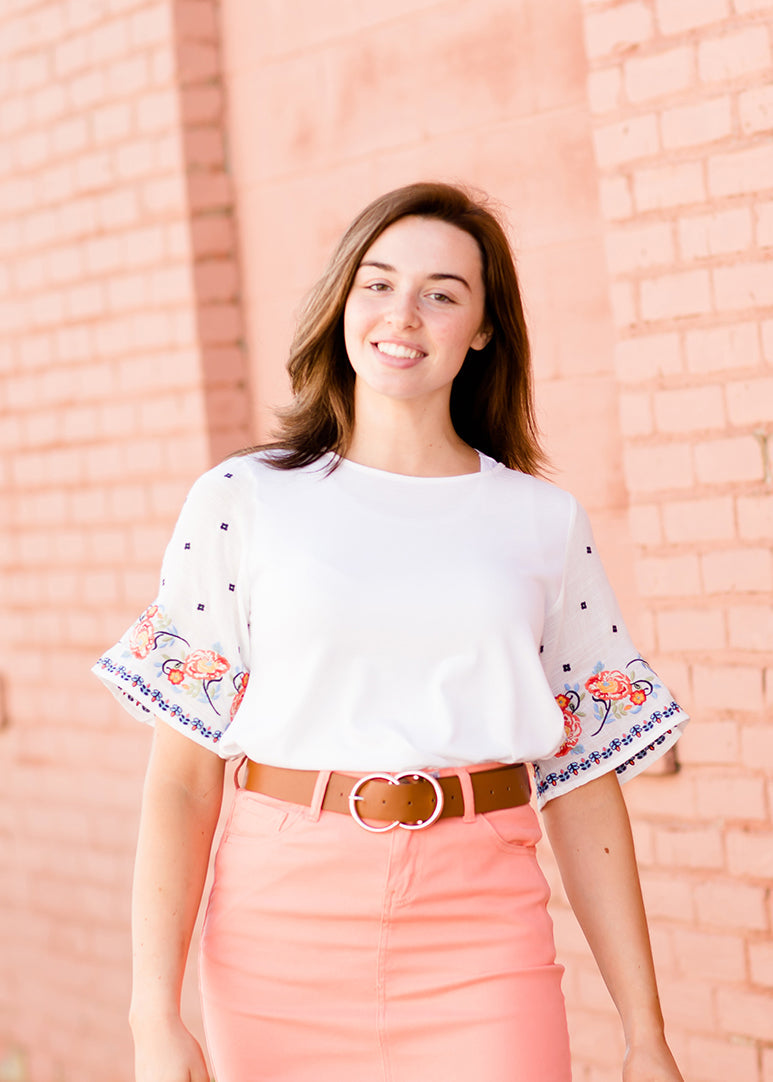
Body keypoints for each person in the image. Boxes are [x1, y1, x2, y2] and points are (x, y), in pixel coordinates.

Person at [93, 181, 688, 1082]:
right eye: (376, 283)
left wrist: (645, 1036)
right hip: (280, 927)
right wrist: (152, 1016)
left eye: (442, 292)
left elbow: (584, 779)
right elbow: (181, 778)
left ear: (484, 328)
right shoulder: (243, 501)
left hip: (481, 931)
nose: (401, 314)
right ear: (342, 301)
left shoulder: (540, 521)